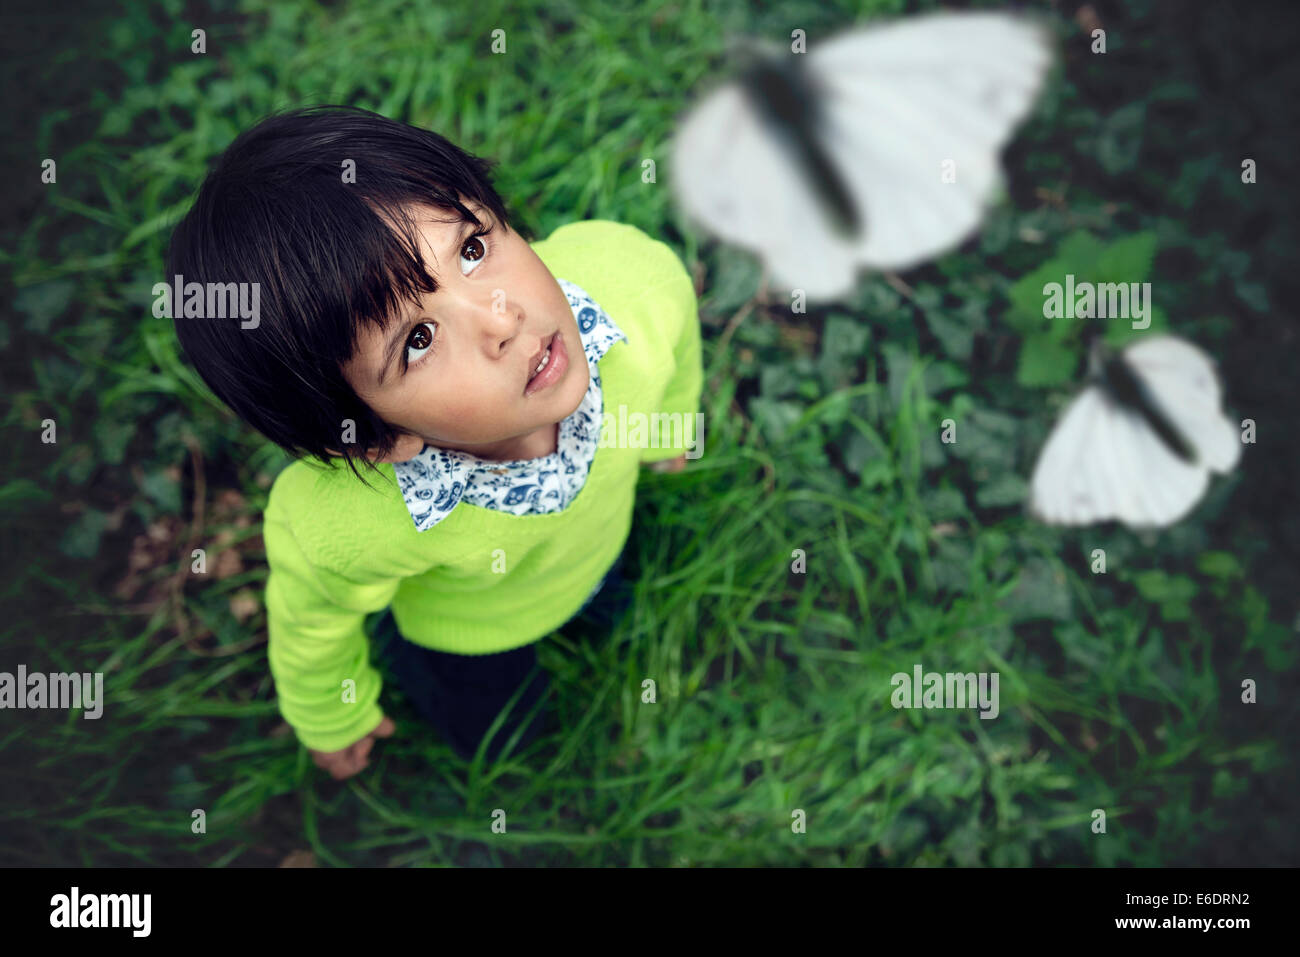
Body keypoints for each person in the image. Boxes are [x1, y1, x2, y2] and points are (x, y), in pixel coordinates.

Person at [166, 105, 702, 775]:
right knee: (504, 737)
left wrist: (669, 428)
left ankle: (595, 602)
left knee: (611, 601)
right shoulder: (350, 522)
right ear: (373, 438)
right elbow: (313, 616)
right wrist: (332, 712)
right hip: (472, 636)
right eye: (418, 339)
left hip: (597, 543)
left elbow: (676, 329)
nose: (500, 319)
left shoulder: (631, 283)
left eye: (472, 250)